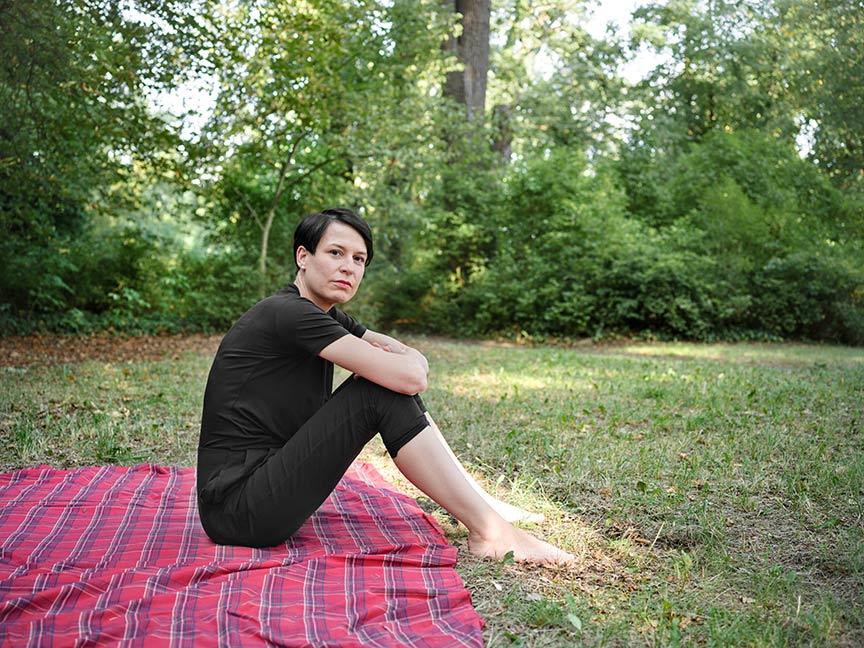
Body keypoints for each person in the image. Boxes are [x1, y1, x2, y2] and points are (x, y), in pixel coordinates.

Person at [196, 207, 574, 566]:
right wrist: (410, 366)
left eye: (359, 259)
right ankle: (489, 530)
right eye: (336, 252)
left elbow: (402, 355)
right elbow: (408, 373)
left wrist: (410, 364)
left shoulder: (324, 314)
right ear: (303, 257)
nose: (348, 267)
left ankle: (480, 507)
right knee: (378, 390)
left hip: (264, 488)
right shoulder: (289, 313)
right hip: (239, 509)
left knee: (385, 383)